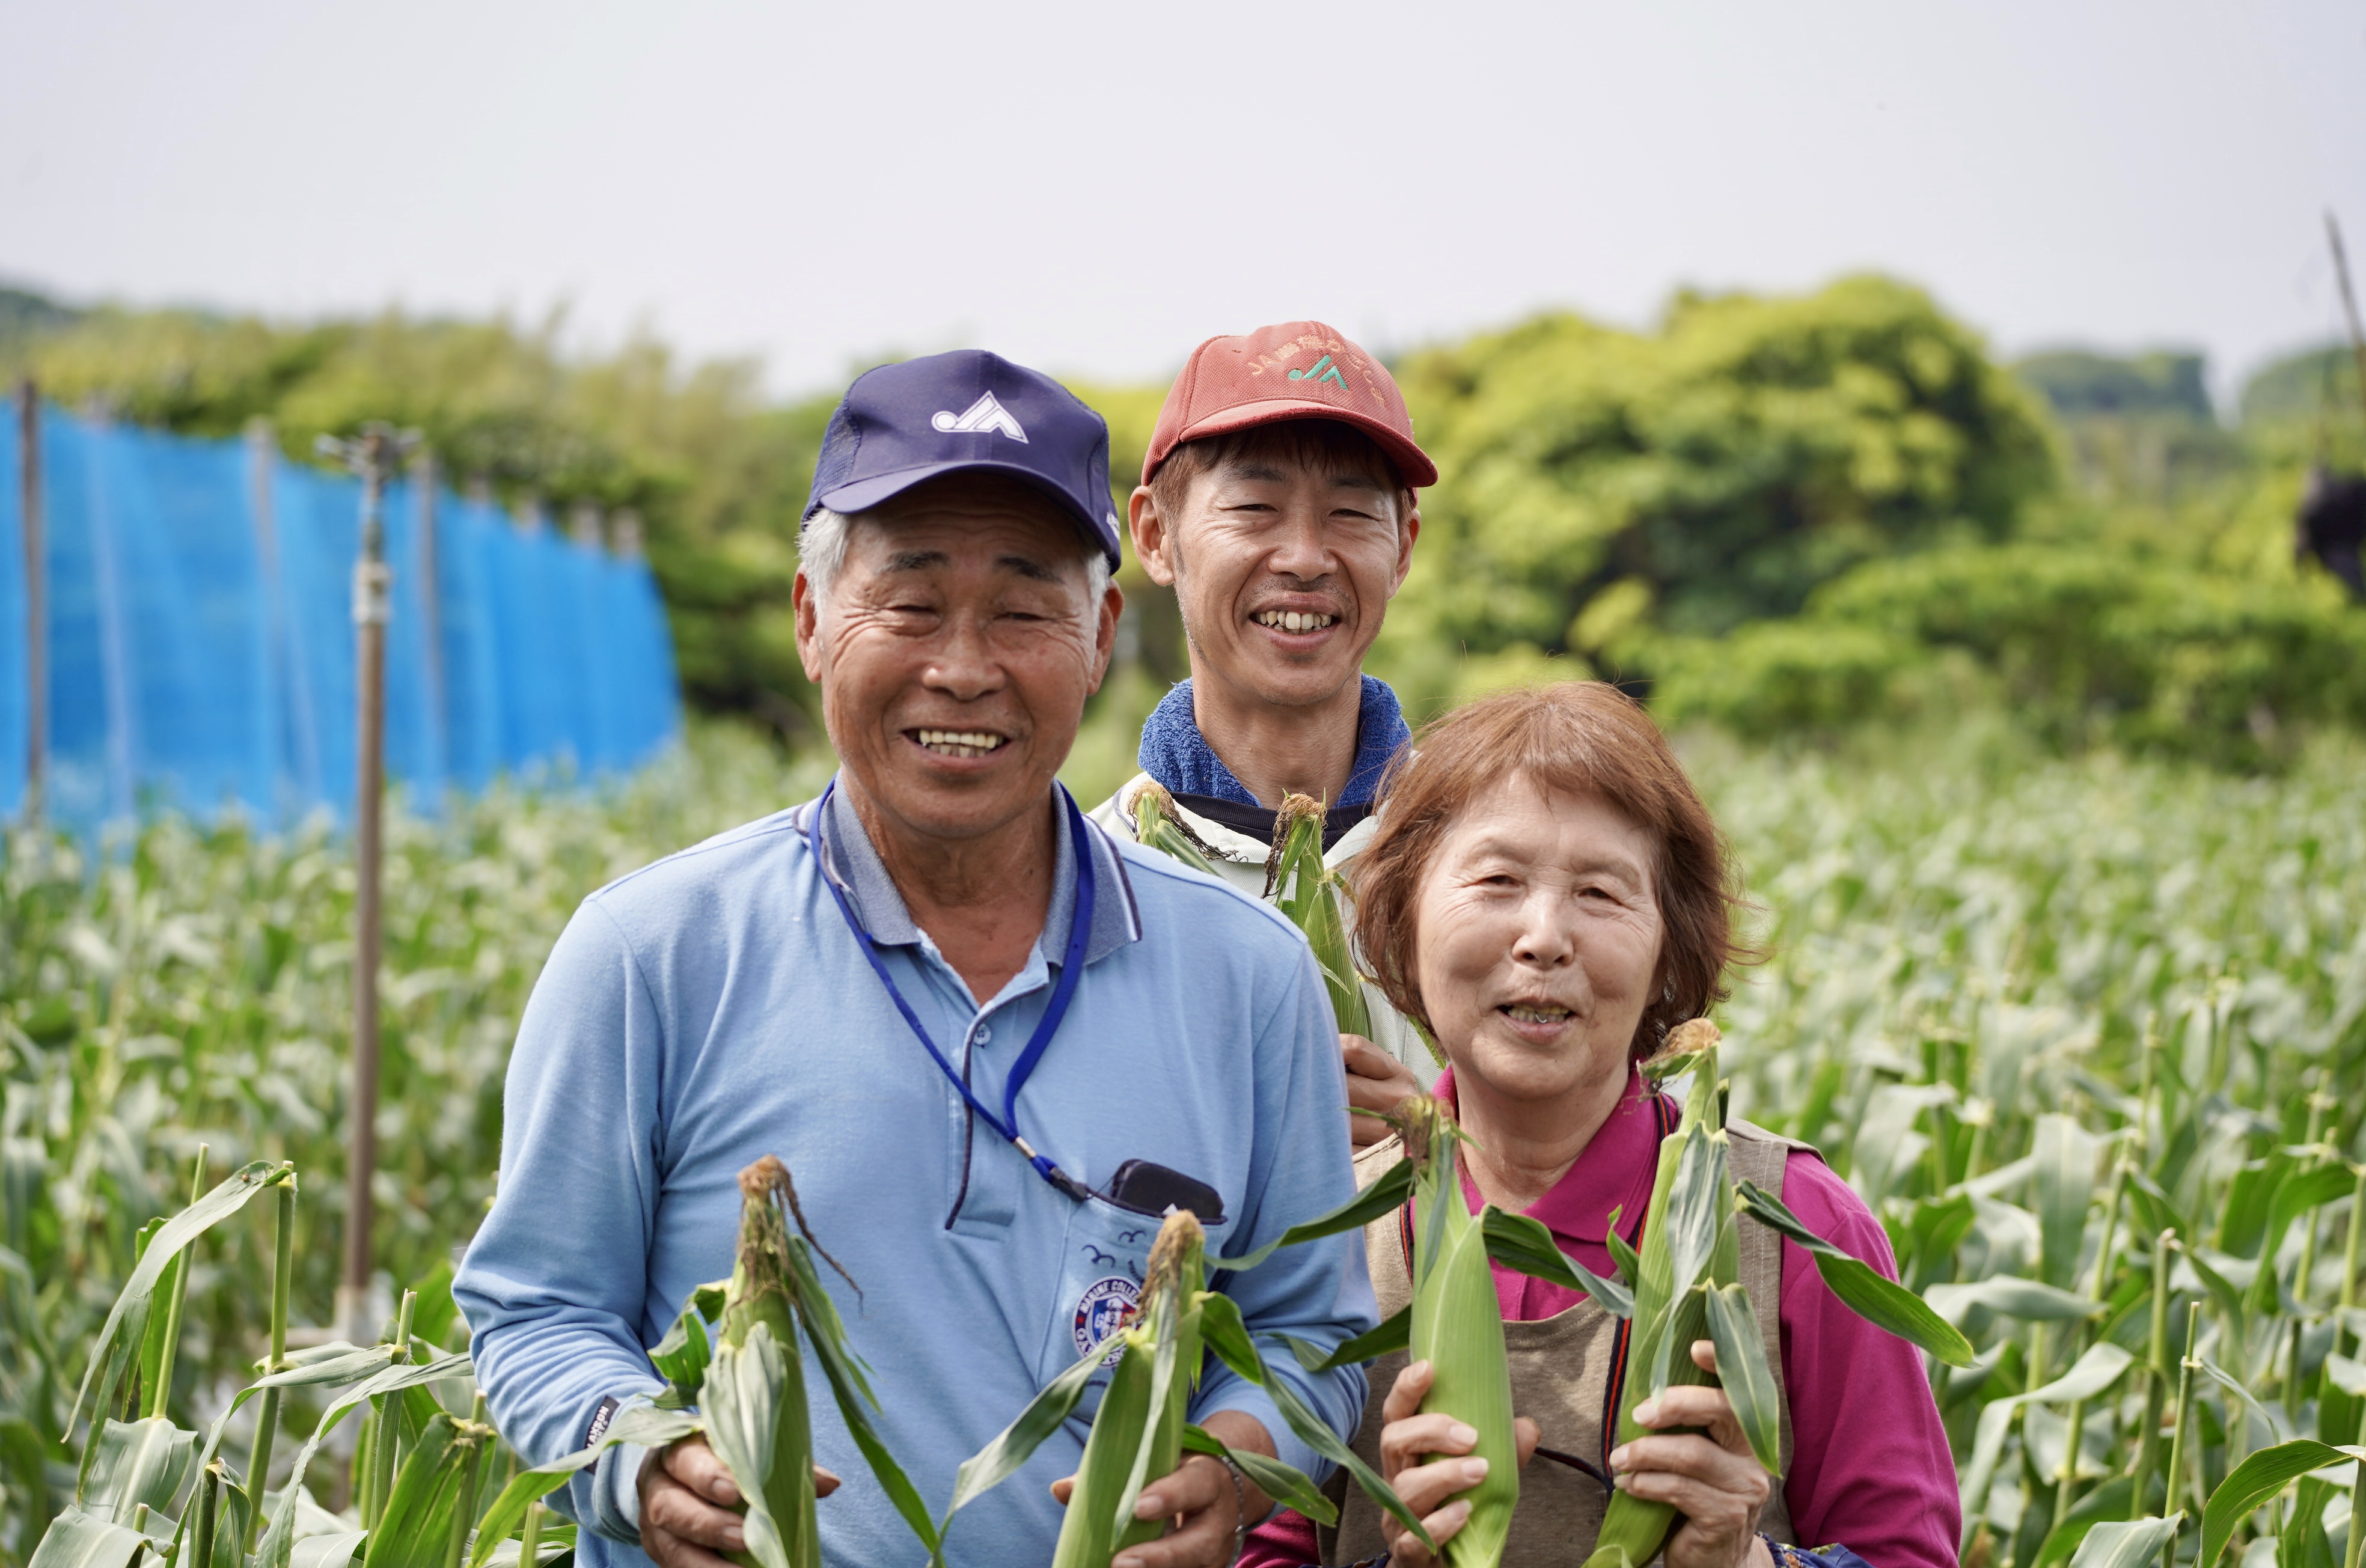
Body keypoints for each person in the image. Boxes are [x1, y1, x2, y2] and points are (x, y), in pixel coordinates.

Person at [456, 350, 1377, 1568]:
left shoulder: (1249, 978)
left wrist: (1237, 1452)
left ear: (1100, 635)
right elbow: (536, 1308)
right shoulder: (650, 954)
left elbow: (1312, 1326)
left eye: (1020, 607)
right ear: (809, 621)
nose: (964, 665)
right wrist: (639, 1454)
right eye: (910, 602)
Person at [1241, 682, 1958, 1568]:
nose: (1544, 937)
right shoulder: (1324, 1232)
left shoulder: (1797, 1228)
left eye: (1601, 893)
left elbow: (1908, 1553)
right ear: (1402, 921)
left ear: (1669, 950)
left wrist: (1747, 1562)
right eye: (1497, 881)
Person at [1089, 322, 1437, 1144]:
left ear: (1404, 547)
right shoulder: (1087, 888)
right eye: (1254, 508)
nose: (1308, 557)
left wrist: (1440, 1146)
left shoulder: (1486, 863)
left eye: (1351, 514)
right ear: (1153, 536)